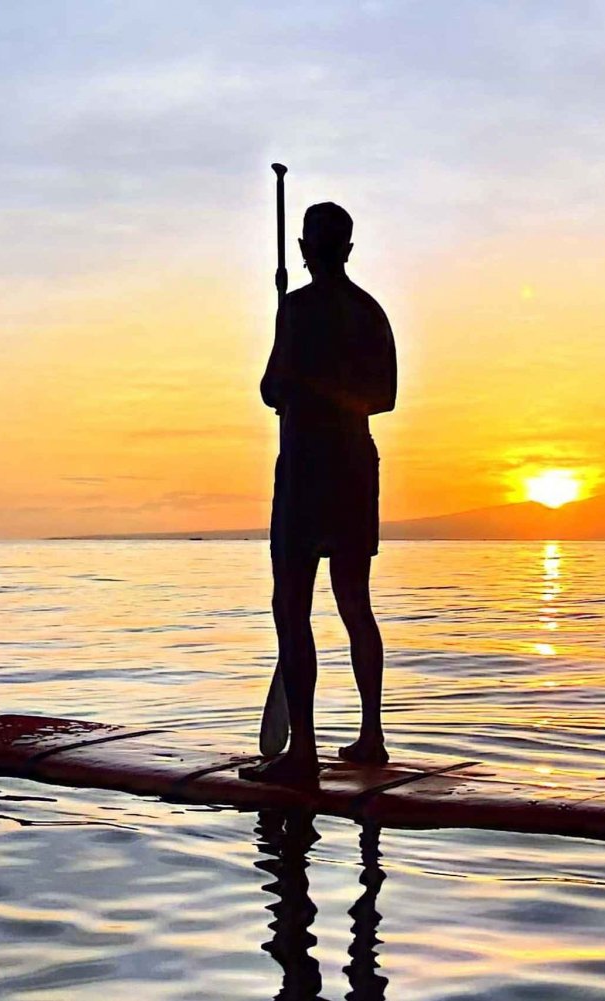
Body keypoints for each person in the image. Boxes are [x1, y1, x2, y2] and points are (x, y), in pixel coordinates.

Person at [244, 202, 397, 785]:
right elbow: (383, 396)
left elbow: (270, 388)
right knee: (355, 603)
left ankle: (303, 753)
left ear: (307, 250)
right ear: (348, 251)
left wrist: (304, 383)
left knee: (292, 606)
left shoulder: (299, 309)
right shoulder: (370, 311)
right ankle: (370, 738)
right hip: (357, 466)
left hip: (309, 468)